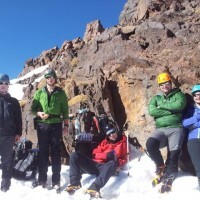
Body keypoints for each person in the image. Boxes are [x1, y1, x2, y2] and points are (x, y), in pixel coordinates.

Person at [146, 72, 187, 193]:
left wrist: (162, 107)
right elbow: (152, 111)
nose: (164, 86)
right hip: (161, 130)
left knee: (173, 154)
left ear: (170, 83)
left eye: (167, 83)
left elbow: (179, 106)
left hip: (176, 128)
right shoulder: (156, 98)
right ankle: (160, 166)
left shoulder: (179, 94)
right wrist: (171, 110)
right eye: (162, 84)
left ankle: (169, 175)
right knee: (150, 144)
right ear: (159, 86)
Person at [31, 68, 69, 190]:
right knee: (43, 153)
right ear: (45, 79)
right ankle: (42, 179)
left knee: (56, 153)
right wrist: (39, 114)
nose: (50, 79)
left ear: (55, 78)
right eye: (47, 77)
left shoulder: (61, 93)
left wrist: (66, 125)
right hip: (42, 126)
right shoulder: (39, 93)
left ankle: (56, 181)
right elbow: (33, 109)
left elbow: (65, 111)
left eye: (52, 77)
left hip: (56, 124)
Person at [66, 124, 127, 198]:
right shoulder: (105, 142)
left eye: (113, 132)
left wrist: (118, 163)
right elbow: (94, 153)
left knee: (113, 163)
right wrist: (106, 156)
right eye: (109, 134)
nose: (111, 135)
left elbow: (124, 158)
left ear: (116, 131)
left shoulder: (123, 143)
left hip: (106, 167)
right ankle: (74, 183)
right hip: (95, 164)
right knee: (74, 155)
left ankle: (95, 187)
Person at [0, 74, 22, 192]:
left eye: (6, 83)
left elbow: (18, 119)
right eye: (1, 83)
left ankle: (5, 184)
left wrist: (18, 133)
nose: (3, 86)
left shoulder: (13, 102)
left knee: (7, 160)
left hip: (9, 135)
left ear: (8, 85)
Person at [182, 84, 200, 191]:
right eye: (195, 95)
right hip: (194, 139)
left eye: (199, 94)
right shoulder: (190, 109)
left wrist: (195, 124)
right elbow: (185, 123)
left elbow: (191, 124)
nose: (198, 96)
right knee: (198, 163)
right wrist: (198, 117)